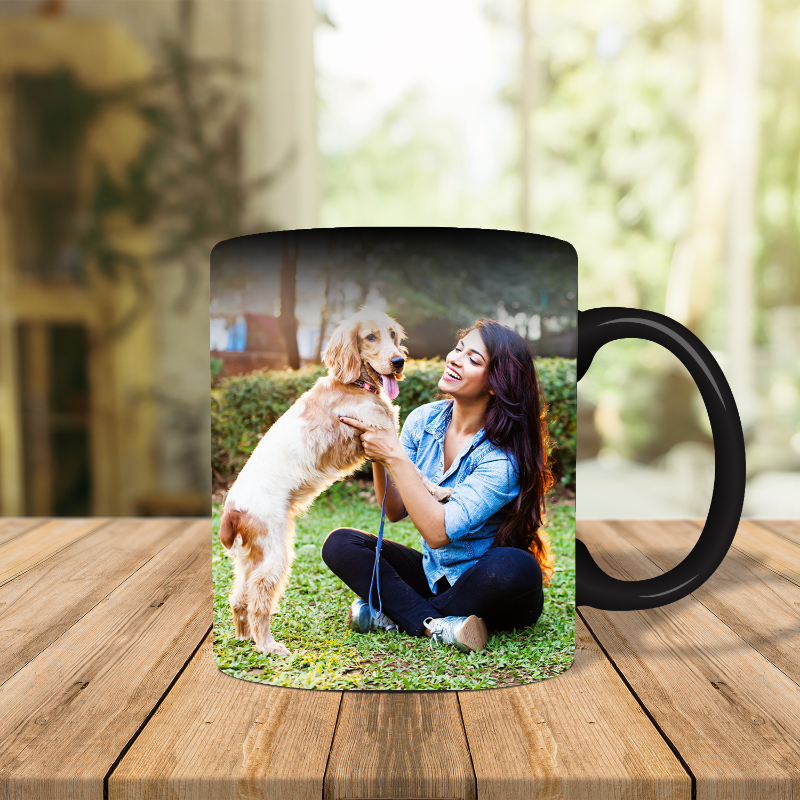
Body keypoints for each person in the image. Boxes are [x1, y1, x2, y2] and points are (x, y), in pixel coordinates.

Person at [321, 318, 554, 653]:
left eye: (474, 360)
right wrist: (377, 448)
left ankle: (398, 615)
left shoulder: (503, 458)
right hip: (434, 576)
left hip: (489, 584)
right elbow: (394, 509)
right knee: (341, 543)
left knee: (516, 566)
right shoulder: (423, 420)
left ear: (495, 384)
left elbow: (438, 533)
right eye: (459, 349)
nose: (455, 359)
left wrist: (395, 455)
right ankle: (440, 625)